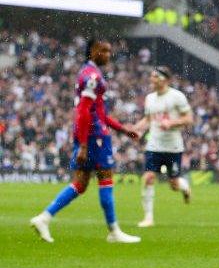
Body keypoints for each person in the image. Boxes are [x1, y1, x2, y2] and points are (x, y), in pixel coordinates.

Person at [29, 40, 141, 244]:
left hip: (90, 134)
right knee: (105, 177)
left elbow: (98, 112)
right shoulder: (92, 76)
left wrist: (123, 129)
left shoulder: (89, 72)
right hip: (94, 136)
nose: (108, 54)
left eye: (109, 50)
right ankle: (114, 232)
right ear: (93, 51)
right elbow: (82, 111)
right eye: (104, 51)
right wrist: (83, 144)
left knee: (80, 183)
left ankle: (44, 218)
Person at [132, 66, 195, 227]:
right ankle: (148, 218)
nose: (151, 80)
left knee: (173, 184)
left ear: (164, 79)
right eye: (151, 76)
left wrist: (172, 123)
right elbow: (148, 119)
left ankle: (184, 188)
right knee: (148, 178)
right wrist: (134, 130)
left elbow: (189, 118)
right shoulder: (150, 98)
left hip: (173, 147)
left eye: (155, 77)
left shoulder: (177, 97)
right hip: (154, 145)